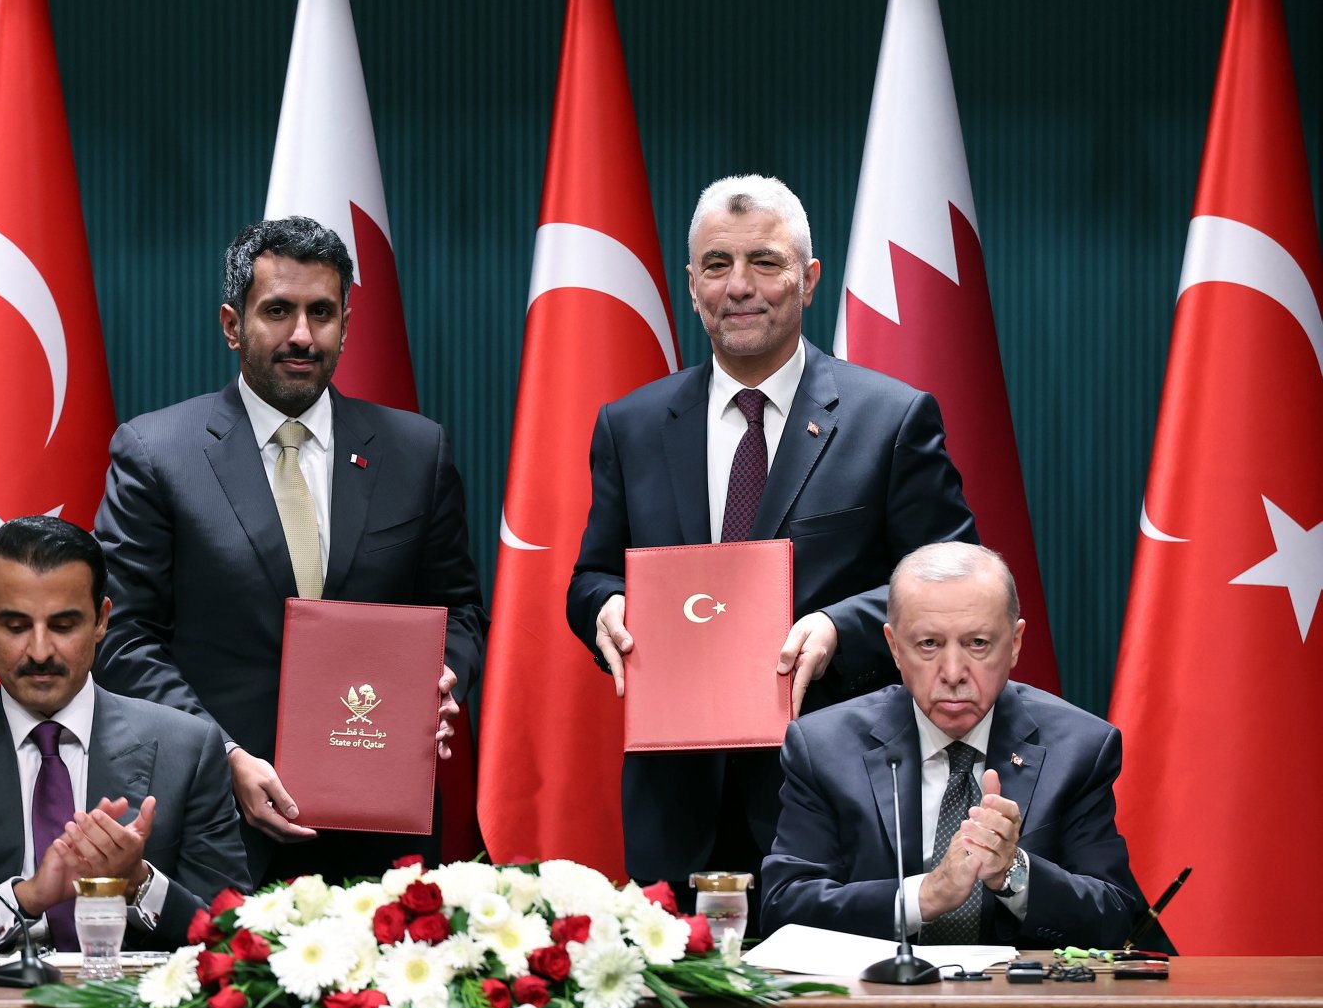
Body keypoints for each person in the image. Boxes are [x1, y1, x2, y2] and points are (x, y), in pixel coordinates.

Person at [567, 175, 977, 899]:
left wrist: (838, 628)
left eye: (766, 262)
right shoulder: (629, 425)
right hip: (678, 801)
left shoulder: (892, 419)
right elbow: (592, 576)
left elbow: (955, 585)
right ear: (691, 286)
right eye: (718, 266)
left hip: (836, 794)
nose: (741, 287)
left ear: (809, 279)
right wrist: (604, 607)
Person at [93, 216, 487, 885]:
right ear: (232, 323)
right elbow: (123, 637)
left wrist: (443, 679)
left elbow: (460, 613)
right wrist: (224, 753)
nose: (303, 335)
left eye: (322, 312)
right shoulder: (156, 455)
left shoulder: (418, 453)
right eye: (278, 311)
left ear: (346, 324)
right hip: (216, 828)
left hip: (378, 834)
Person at [0, 516, 250, 954]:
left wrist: (138, 883)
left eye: (63, 625)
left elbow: (236, 944)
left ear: (101, 621)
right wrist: (23, 900)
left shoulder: (188, 750)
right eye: (15, 626)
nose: (39, 652)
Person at [760, 542, 1149, 948]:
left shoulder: (1080, 748)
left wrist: (1013, 873)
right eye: (928, 644)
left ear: (1015, 642)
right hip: (876, 1004)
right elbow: (784, 909)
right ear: (893, 646)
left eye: (977, 643)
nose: (952, 673)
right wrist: (924, 896)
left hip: (1019, 1007)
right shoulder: (824, 747)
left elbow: (1116, 920)